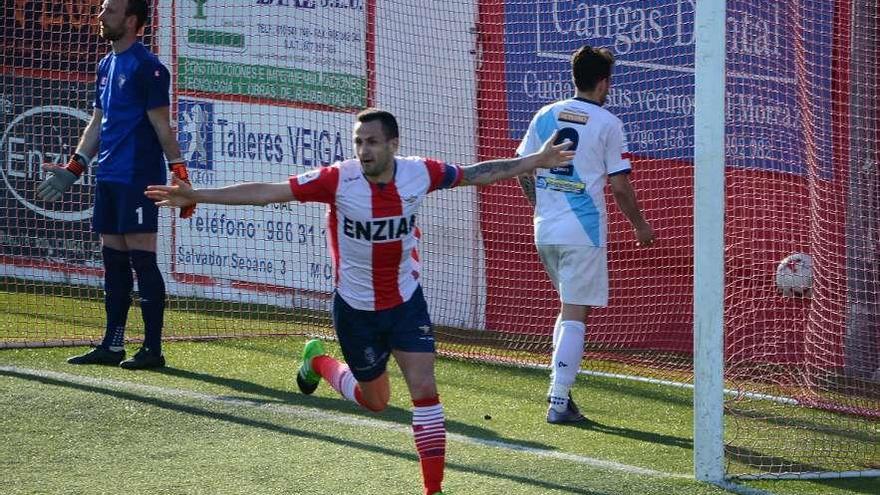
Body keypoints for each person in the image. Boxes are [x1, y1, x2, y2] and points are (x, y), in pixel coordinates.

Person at [146, 108, 574, 495]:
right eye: (358, 141)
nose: (363, 149)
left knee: (425, 391)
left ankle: (433, 490)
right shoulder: (338, 179)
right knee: (377, 402)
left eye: (371, 141)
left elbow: (477, 173)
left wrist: (536, 160)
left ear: (392, 144)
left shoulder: (419, 173)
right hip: (355, 312)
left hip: (406, 302)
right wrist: (197, 194)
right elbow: (267, 192)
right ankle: (318, 362)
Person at [37, 0, 194, 369]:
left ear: (132, 20)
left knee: (143, 260)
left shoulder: (148, 68)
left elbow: (162, 128)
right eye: (102, 9)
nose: (100, 15)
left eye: (109, 10)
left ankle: (153, 350)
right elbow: (97, 123)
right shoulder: (106, 64)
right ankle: (113, 344)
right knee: (114, 261)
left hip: (138, 176)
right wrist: (74, 169)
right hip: (108, 174)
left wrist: (182, 179)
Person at [516, 46, 655, 424]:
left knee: (569, 308)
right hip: (582, 231)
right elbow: (621, 186)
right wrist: (639, 225)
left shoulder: (546, 114)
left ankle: (560, 393)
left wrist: (539, 205)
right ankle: (558, 401)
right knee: (577, 313)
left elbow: (522, 169)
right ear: (604, 82)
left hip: (545, 230)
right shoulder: (607, 122)